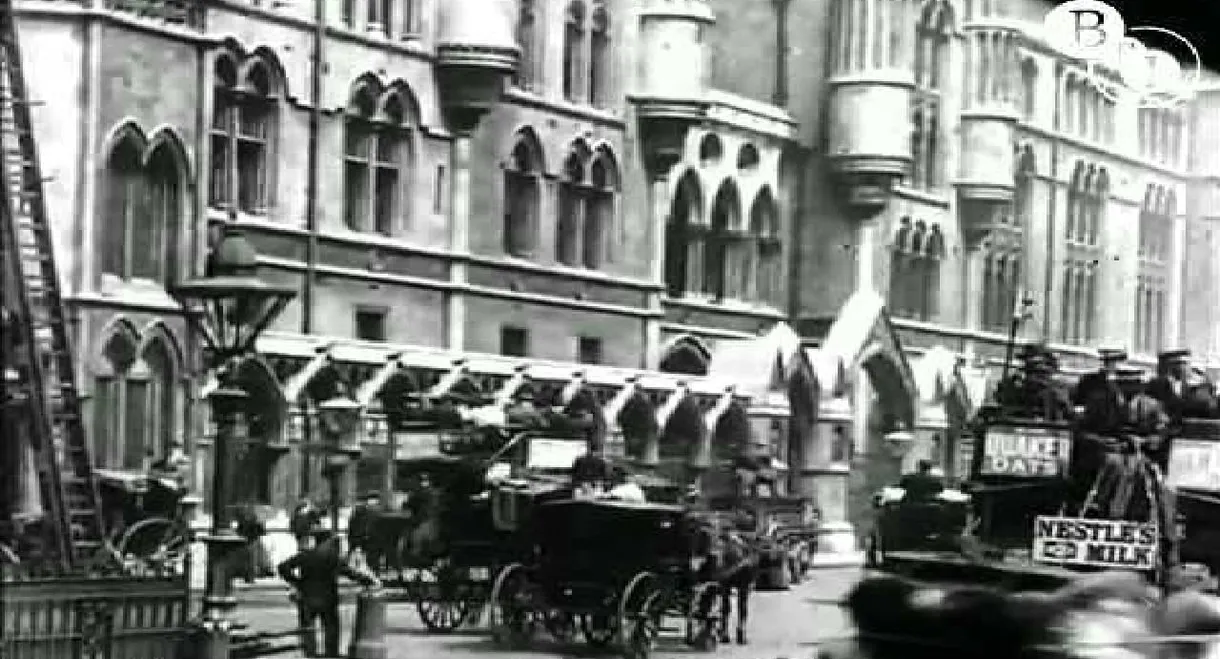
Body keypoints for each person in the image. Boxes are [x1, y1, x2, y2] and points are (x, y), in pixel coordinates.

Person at [278, 529, 381, 658]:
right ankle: (331, 653)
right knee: (331, 627)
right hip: (327, 597)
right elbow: (349, 572)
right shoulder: (332, 558)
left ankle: (309, 652)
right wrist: (368, 581)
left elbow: (283, 567)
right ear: (327, 541)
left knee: (307, 627)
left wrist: (297, 582)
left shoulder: (306, 555)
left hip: (307, 596)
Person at [346, 492, 378, 568]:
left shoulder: (361, 512)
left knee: (354, 551)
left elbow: (352, 524)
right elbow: (353, 524)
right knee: (355, 550)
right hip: (360, 535)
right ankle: (355, 564)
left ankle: (354, 564)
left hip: (359, 535)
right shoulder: (364, 512)